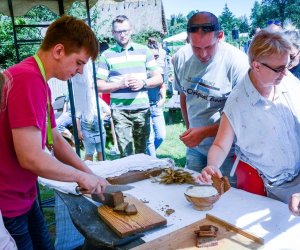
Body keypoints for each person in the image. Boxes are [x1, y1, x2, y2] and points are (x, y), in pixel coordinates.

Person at [0, 16, 108, 250]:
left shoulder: (38, 80)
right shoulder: (27, 79)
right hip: (9, 202)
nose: (80, 72)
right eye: (79, 62)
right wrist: (80, 177)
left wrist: (90, 174)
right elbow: (30, 157)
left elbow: (55, 138)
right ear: (59, 50)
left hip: (24, 196)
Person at [197, 30, 300, 204]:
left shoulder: (288, 80)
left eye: (287, 65)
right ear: (257, 65)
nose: (286, 73)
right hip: (269, 187)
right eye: (279, 69)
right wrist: (213, 165)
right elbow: (221, 144)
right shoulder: (238, 102)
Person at [173, 11, 249, 184]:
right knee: (192, 193)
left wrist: (204, 132)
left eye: (209, 47)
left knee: (226, 199)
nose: (203, 54)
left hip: (229, 151)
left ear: (220, 36)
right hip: (195, 148)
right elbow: (184, 95)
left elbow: (242, 115)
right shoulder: (181, 58)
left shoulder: (237, 63)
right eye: (196, 48)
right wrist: (190, 127)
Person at [97, 15, 163, 157]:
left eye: (125, 31)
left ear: (131, 30)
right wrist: (119, 84)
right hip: (120, 110)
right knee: (125, 155)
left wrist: (143, 83)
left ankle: (142, 178)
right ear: (113, 33)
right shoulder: (106, 55)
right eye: (118, 31)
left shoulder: (144, 51)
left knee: (142, 153)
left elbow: (158, 78)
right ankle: (129, 178)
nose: (122, 34)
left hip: (142, 109)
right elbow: (99, 86)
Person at [146, 45, 167, 157]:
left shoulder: (159, 69)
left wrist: (163, 99)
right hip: (144, 106)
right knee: (149, 139)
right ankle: (153, 162)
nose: (154, 59)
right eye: (152, 56)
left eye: (156, 56)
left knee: (161, 136)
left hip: (156, 105)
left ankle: (146, 156)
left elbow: (162, 85)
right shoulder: (141, 69)